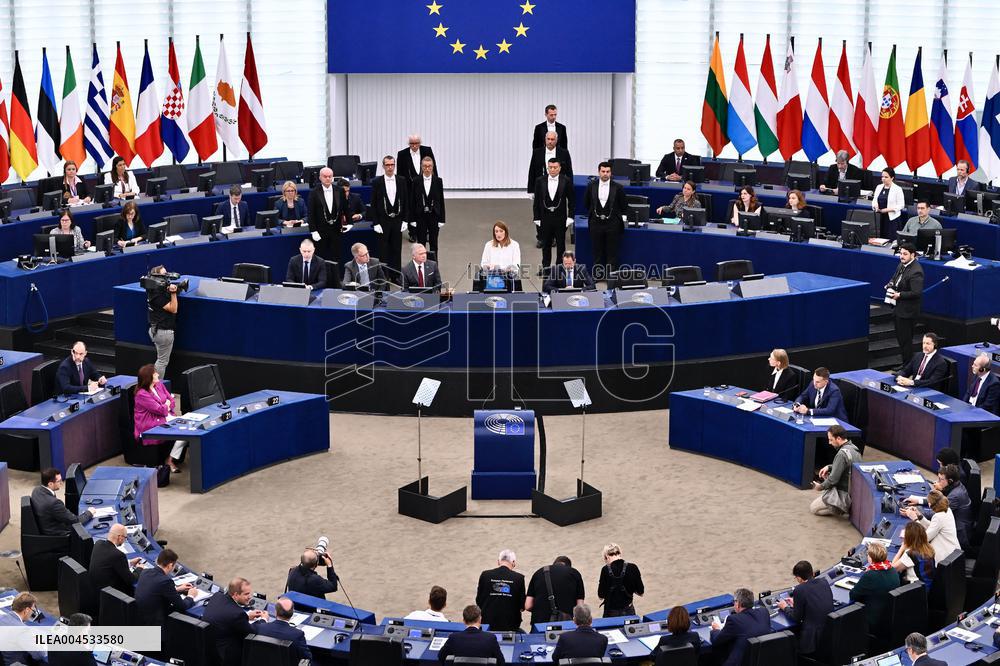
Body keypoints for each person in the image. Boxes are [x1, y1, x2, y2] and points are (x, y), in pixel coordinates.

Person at [134, 548, 198, 649]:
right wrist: (191, 595)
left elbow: (156, 590)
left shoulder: (145, 572)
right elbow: (182, 605)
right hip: (157, 626)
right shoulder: (165, 581)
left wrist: (176, 589)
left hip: (141, 620)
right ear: (170, 565)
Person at [201, 577, 268, 666]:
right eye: (246, 594)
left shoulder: (217, 596)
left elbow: (226, 617)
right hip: (225, 657)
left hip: (208, 649)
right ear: (236, 595)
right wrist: (263, 620)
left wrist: (247, 616)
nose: (250, 597)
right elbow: (252, 633)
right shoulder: (237, 614)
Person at [905, 464, 973, 550]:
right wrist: (919, 501)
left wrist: (915, 514)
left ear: (950, 481)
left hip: (958, 535)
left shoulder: (955, 495)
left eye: (941, 479)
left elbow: (934, 513)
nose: (938, 481)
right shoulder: (955, 485)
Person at [134, 363, 186, 472]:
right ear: (149, 377)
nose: (157, 374)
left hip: (166, 417)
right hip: (150, 423)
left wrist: (166, 405)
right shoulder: (141, 394)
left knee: (187, 431)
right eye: (155, 373)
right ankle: (170, 461)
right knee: (183, 432)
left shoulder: (159, 385)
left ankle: (170, 458)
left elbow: (172, 401)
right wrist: (165, 405)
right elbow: (160, 410)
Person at [776, 560, 834, 655]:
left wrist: (785, 607)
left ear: (799, 578)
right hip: (828, 633)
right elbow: (813, 603)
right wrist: (796, 604)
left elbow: (797, 618)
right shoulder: (823, 582)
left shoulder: (799, 590)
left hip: (812, 640)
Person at [584, 161, 627, 279]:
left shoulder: (618, 188)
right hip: (595, 223)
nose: (605, 174)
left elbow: (624, 206)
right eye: (603, 171)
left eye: (607, 172)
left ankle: (611, 277)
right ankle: (597, 275)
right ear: (598, 172)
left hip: (612, 224)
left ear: (611, 173)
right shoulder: (591, 186)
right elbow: (587, 203)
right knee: (597, 250)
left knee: (612, 251)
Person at [533, 158, 576, 273]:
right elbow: (536, 201)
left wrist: (570, 217)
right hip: (544, 218)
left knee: (561, 244)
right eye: (550, 167)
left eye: (555, 167)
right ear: (547, 168)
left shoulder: (566, 180)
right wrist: (536, 218)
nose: (552, 170)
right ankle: (546, 267)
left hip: (560, 218)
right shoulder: (540, 181)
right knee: (545, 243)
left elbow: (572, 200)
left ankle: (559, 268)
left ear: (559, 168)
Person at [709, 587, 771, 666]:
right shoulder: (763, 612)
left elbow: (716, 640)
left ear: (738, 604)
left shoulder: (733, 620)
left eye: (734, 602)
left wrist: (716, 629)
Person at [848, 542, 900, 635]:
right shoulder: (892, 570)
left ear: (871, 558)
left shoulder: (870, 575)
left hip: (873, 620)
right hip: (888, 617)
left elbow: (853, 595)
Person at [809, 424, 861, 517]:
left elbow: (833, 479)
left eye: (831, 439)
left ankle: (840, 509)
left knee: (814, 508)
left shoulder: (841, 454)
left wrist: (820, 487)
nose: (829, 442)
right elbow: (846, 465)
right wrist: (829, 467)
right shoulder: (853, 448)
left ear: (839, 439)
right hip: (853, 491)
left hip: (843, 494)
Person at [885, 243, 924, 363]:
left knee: (906, 341)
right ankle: (905, 364)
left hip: (908, 312)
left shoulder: (916, 271)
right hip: (899, 308)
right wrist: (890, 284)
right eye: (901, 253)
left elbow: (916, 292)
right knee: (901, 339)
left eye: (905, 254)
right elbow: (894, 278)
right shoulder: (902, 265)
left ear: (913, 255)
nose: (902, 256)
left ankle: (907, 366)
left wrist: (900, 295)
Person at [372, 155, 409, 281]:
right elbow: (374, 203)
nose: (390, 167)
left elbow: (405, 201)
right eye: (387, 165)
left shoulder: (401, 180)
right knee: (383, 249)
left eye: (392, 165)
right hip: (383, 221)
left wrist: (405, 220)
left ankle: (396, 275)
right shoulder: (377, 182)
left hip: (397, 220)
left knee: (396, 248)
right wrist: (376, 222)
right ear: (383, 166)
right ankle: (384, 275)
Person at [30, 467, 94, 536]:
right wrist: (89, 513)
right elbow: (76, 521)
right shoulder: (54, 503)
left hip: (46, 526)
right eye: (59, 481)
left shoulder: (36, 490)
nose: (62, 483)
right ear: (50, 484)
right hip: (57, 534)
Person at [525, 555, 585, 625]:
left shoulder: (538, 573)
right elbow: (580, 607)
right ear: (568, 566)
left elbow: (528, 605)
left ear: (554, 564)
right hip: (566, 624)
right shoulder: (574, 573)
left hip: (540, 624)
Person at [902, 490, 961, 561]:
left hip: (945, 557)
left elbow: (924, 537)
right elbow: (932, 527)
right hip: (953, 553)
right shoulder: (948, 510)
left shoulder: (938, 517)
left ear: (930, 504)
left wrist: (914, 519)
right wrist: (919, 515)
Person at [476, 549, 526, 632]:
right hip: (510, 626)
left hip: (487, 624)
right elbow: (522, 606)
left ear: (498, 561)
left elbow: (478, 600)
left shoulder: (485, 575)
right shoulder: (519, 578)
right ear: (513, 562)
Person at [436, 605, 505, 665]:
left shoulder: (453, 638)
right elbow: (501, 662)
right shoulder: (490, 638)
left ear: (464, 620)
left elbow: (441, 656)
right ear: (480, 619)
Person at [89, 523, 142, 596]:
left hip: (96, 591)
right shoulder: (118, 555)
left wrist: (130, 563)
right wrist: (140, 569)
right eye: (125, 537)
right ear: (120, 537)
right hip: (113, 596)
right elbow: (131, 580)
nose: (125, 540)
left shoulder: (98, 544)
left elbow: (110, 563)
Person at [255, 597, 312, 664]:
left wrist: (263, 620)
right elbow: (307, 658)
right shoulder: (298, 635)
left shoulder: (261, 627)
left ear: (275, 612)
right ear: (292, 613)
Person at [146, 265, 179, 378]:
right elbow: (173, 309)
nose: (166, 277)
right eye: (164, 275)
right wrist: (173, 293)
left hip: (156, 330)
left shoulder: (154, 290)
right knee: (162, 362)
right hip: (163, 332)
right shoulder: (157, 295)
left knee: (160, 360)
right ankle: (157, 388)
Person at [307, 167, 344, 264]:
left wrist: (350, 223)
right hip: (320, 231)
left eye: (330, 176)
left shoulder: (339, 190)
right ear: (320, 178)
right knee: (321, 257)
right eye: (325, 176)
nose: (328, 178)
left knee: (336, 256)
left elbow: (345, 208)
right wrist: (313, 231)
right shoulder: (314, 192)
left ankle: (336, 278)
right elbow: (311, 213)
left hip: (336, 230)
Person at [596, 543, 644, 617]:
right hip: (628, 610)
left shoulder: (605, 570)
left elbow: (600, 596)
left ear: (607, 557)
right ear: (620, 554)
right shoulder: (633, 567)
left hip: (611, 613)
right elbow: (641, 593)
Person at [0, 592, 47, 666]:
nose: (32, 613)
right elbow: (39, 655)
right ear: (27, 610)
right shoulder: (22, 630)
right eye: (33, 610)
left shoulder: (1, 618)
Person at [411, 156, 445, 253]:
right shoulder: (416, 181)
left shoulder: (438, 181)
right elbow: (412, 200)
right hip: (420, 216)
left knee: (434, 243)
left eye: (429, 166)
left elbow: (441, 200)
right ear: (421, 167)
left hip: (434, 215)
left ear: (432, 167)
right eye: (425, 166)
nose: (427, 169)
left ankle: (434, 266)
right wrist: (412, 219)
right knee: (420, 243)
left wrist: (442, 218)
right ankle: (421, 265)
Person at [891, 522, 936, 587]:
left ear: (909, 538)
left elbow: (893, 569)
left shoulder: (911, 554)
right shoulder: (929, 548)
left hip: (915, 591)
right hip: (928, 586)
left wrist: (901, 549)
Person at [872, 167, 906, 238]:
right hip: (880, 217)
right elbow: (874, 200)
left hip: (892, 219)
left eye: (886, 177)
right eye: (882, 177)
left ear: (892, 178)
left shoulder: (898, 189)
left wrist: (887, 210)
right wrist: (876, 206)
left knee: (891, 239)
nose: (883, 179)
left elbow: (901, 205)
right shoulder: (879, 187)